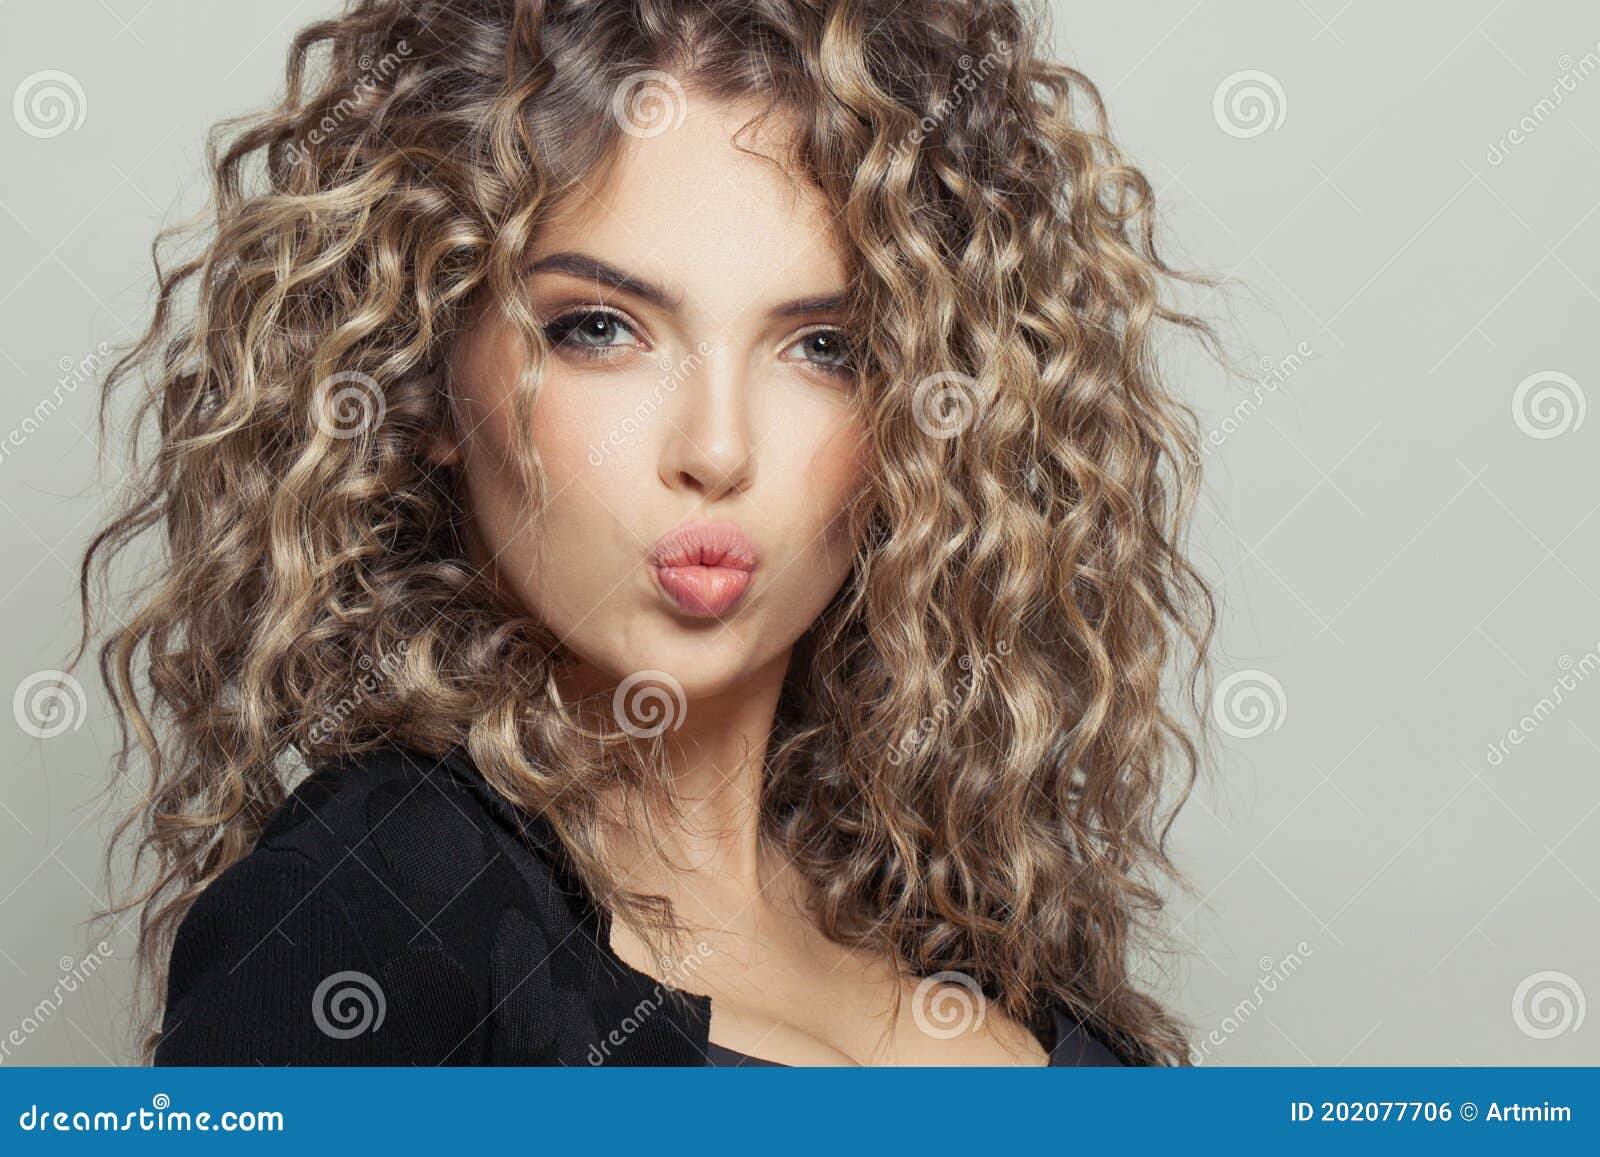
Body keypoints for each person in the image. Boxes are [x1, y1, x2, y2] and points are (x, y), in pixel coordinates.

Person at [79, 0, 1216, 1068]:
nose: (715, 449)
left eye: (826, 347)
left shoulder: (970, 919)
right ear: (426, 379)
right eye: (598, 328)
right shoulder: (374, 908)